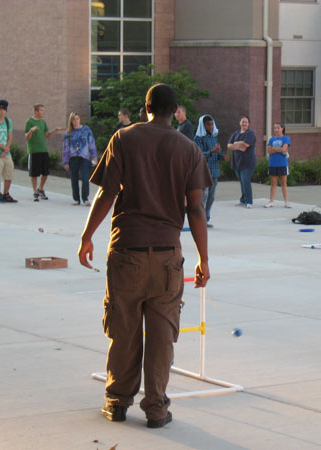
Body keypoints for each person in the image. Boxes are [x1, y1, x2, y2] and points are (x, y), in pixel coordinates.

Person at [78, 83, 212, 428]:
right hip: (168, 256)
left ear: (146, 108)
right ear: (175, 110)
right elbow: (196, 208)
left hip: (127, 251)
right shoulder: (189, 149)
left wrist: (87, 236)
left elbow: (106, 194)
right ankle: (155, 409)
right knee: (161, 336)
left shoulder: (124, 139)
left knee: (123, 329)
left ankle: (117, 402)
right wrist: (203, 258)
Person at [24, 104, 64, 202]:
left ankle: (40, 189)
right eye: (41, 110)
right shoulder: (29, 122)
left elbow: (48, 135)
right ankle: (35, 192)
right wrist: (31, 130)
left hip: (44, 150)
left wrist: (56, 130)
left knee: (45, 173)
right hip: (34, 151)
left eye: (43, 110)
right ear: (36, 111)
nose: (43, 112)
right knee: (34, 174)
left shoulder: (43, 122)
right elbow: (27, 137)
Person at [62, 113, 98, 206]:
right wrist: (65, 161)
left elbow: (91, 143)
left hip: (84, 157)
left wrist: (94, 156)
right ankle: (76, 199)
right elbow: (65, 148)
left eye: (77, 119)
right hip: (73, 158)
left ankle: (85, 198)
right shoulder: (68, 133)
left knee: (85, 178)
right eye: (73, 119)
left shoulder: (86, 130)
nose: (76, 121)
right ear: (71, 121)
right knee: (74, 179)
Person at [194, 115, 224, 227]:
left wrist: (221, 156)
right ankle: (200, 219)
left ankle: (206, 219)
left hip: (214, 170)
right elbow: (199, 155)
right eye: (208, 124)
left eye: (212, 124)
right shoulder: (198, 139)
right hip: (204, 171)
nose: (210, 127)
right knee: (204, 196)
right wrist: (211, 152)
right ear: (203, 125)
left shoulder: (213, 137)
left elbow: (216, 153)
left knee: (211, 197)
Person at [227, 116, 256, 208]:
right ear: (240, 123)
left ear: (249, 124)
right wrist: (239, 146)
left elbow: (246, 145)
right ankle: (243, 200)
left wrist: (235, 143)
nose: (244, 123)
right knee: (242, 182)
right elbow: (229, 145)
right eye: (242, 122)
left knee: (246, 182)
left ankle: (249, 202)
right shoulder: (235, 133)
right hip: (237, 162)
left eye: (246, 122)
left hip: (247, 162)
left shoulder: (250, 133)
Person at [265, 122, 291, 208]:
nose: (276, 130)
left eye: (278, 128)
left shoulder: (286, 138)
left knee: (283, 183)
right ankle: (271, 201)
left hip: (282, 164)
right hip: (273, 164)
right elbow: (269, 151)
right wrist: (279, 149)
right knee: (273, 183)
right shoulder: (271, 139)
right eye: (275, 128)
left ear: (282, 128)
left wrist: (274, 149)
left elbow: (284, 149)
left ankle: (286, 202)